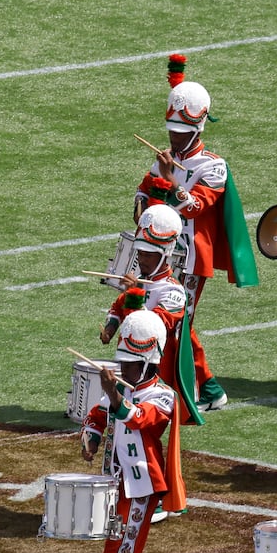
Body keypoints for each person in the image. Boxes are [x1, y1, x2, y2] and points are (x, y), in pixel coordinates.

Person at [134, 54, 260, 413]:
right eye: (173, 130)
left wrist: (171, 180)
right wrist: (146, 199)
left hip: (189, 257)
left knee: (178, 322)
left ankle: (206, 388)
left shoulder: (214, 166)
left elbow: (194, 207)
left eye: (183, 132)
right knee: (166, 319)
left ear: (198, 129)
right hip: (158, 252)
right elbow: (142, 198)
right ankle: (196, 386)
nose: (175, 137)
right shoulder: (164, 158)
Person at [79, 309, 178, 553]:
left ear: (150, 363)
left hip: (141, 489)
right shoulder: (121, 389)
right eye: (124, 363)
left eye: (133, 363)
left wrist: (115, 397)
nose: (125, 369)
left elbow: (139, 418)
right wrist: (90, 437)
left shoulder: (162, 395)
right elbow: (97, 414)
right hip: (115, 484)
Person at [99, 199, 189, 522]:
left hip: (154, 373)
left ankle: (157, 495)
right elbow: (117, 305)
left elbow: (157, 326)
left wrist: (134, 300)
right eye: (141, 249)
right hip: (130, 366)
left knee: (148, 436)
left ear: (165, 253)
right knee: (123, 429)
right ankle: (122, 485)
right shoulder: (139, 282)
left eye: (149, 251)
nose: (142, 256)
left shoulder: (173, 291)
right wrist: (111, 324)